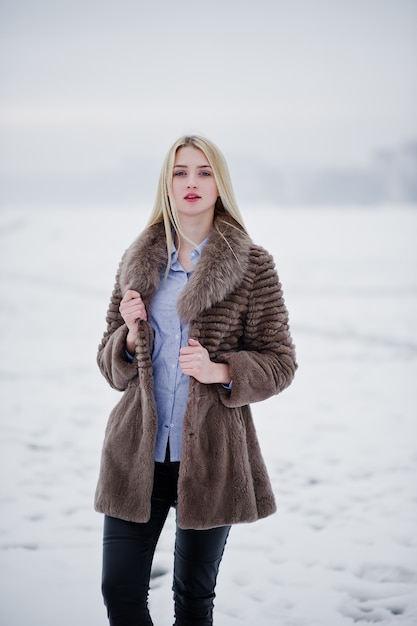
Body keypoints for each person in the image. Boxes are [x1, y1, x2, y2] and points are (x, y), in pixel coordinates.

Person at [94, 134, 297, 626]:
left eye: (204, 172)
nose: (191, 182)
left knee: (192, 600)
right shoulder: (138, 260)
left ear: (219, 184)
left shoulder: (253, 265)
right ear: (166, 183)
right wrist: (125, 334)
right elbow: (108, 362)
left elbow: (280, 361)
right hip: (135, 452)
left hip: (212, 458)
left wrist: (221, 371)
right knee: (118, 591)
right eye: (180, 172)